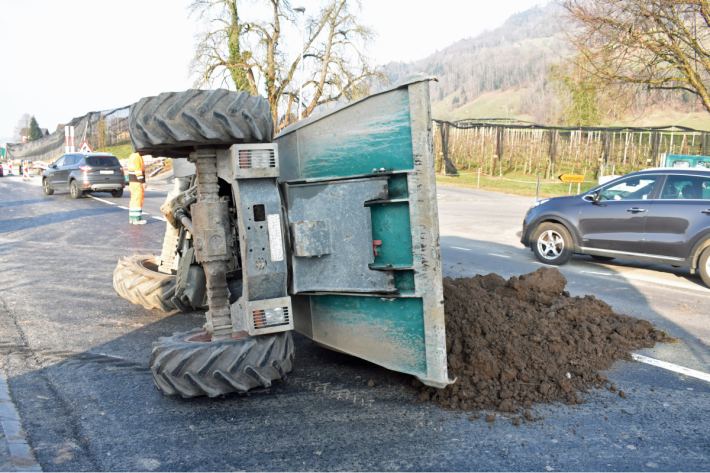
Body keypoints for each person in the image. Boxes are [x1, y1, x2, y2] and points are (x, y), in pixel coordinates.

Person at [127, 152, 147, 225]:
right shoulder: (138, 157)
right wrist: (143, 182)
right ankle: (137, 219)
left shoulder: (132, 155)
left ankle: (132, 218)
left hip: (132, 182)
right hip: (137, 182)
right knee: (138, 200)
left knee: (133, 200)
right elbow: (138, 172)